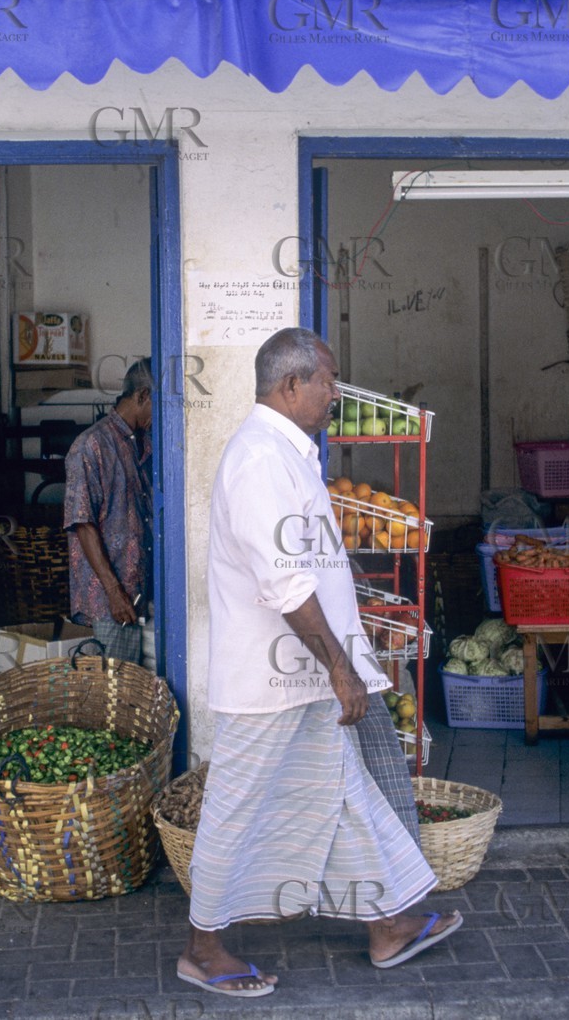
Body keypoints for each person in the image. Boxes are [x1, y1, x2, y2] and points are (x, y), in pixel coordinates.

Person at [178, 328, 460, 998]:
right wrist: (338, 666)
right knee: (236, 807)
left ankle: (386, 924)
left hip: (300, 677)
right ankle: (202, 950)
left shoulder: (286, 454)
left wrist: (336, 664)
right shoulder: (260, 460)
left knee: (344, 793)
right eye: (327, 382)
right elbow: (284, 583)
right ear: (290, 385)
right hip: (270, 680)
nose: (335, 394)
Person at [63, 358, 153, 667]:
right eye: (158, 405)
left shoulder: (142, 442)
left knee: (135, 688)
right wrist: (114, 592)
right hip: (109, 603)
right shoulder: (90, 445)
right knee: (112, 688)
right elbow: (82, 524)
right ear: (142, 395)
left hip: (138, 596)